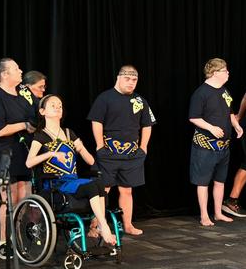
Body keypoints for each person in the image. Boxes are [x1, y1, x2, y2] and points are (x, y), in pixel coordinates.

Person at [26, 94, 116, 245]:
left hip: (72, 180)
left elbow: (91, 161)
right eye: (53, 105)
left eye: (60, 105)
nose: (58, 107)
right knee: (91, 186)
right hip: (56, 183)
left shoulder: (69, 133)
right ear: (43, 112)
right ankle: (104, 227)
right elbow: (29, 163)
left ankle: (97, 225)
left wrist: (81, 149)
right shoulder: (41, 136)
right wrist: (51, 153)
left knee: (100, 184)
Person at [87, 65, 156, 236]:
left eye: (134, 80)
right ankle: (94, 226)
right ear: (118, 78)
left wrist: (143, 147)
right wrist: (99, 145)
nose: (131, 83)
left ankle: (128, 225)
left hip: (132, 153)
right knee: (104, 189)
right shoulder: (105, 98)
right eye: (128, 79)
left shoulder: (140, 100)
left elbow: (147, 124)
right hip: (109, 151)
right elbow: (97, 122)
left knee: (127, 190)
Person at [0, 58, 36, 259]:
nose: (21, 70)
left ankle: (17, 238)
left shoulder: (22, 92)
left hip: (22, 153)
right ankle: (4, 243)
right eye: (16, 68)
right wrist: (24, 125)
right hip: (2, 154)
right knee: (9, 199)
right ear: (5, 74)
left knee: (23, 197)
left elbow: (33, 113)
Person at [188, 58, 244, 226]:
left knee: (220, 181)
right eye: (225, 71)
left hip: (223, 147)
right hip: (205, 146)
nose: (228, 73)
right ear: (214, 73)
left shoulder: (224, 91)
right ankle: (204, 215)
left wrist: (236, 125)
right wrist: (211, 128)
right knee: (203, 182)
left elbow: (229, 112)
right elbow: (193, 117)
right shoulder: (201, 93)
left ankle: (218, 212)